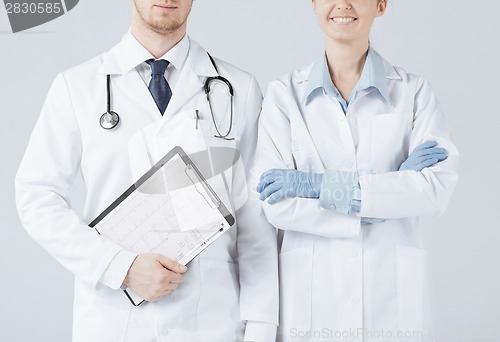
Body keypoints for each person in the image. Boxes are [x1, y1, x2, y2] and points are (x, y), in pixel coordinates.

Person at [15, 1, 278, 341]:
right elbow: (36, 197)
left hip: (212, 320)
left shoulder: (238, 88)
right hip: (115, 320)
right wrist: (118, 266)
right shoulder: (77, 86)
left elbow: (256, 219)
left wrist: (260, 326)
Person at [256, 0, 459, 341]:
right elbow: (276, 204)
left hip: (390, 305)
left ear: (380, 5)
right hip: (311, 305)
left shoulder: (415, 93)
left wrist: (318, 187)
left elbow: (434, 191)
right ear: (314, 4)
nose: (343, 4)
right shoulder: (283, 95)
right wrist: (387, 194)